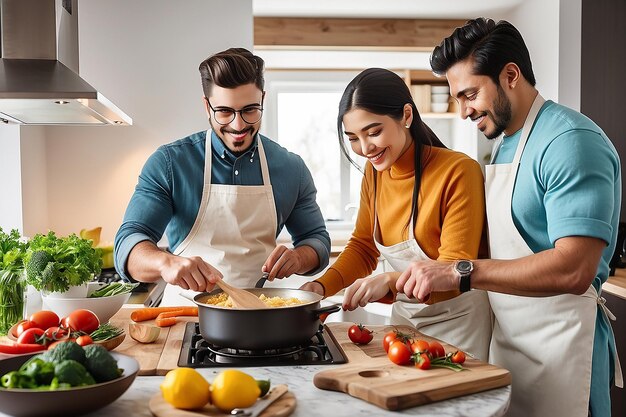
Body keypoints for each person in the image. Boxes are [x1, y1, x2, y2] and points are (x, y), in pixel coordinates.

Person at [396, 18, 622, 417]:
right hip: (511, 351)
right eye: (457, 98)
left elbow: (574, 269)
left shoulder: (570, 141)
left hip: (563, 353)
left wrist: (460, 272)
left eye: (470, 94)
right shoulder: (504, 145)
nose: (463, 110)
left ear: (511, 75)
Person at [300, 68, 492, 361]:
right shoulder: (375, 174)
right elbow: (363, 247)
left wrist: (390, 281)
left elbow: (453, 272)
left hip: (458, 324)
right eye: (353, 138)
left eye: (374, 132)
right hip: (404, 324)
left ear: (406, 115)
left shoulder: (458, 171)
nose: (365, 149)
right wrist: (320, 287)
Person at [114, 48, 330, 305]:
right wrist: (166, 262)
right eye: (225, 111)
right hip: (186, 315)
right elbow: (127, 244)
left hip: (260, 312)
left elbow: (317, 240)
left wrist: (299, 258)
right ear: (207, 106)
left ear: (263, 99)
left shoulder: (291, 168)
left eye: (250, 110)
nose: (238, 126)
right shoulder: (170, 163)